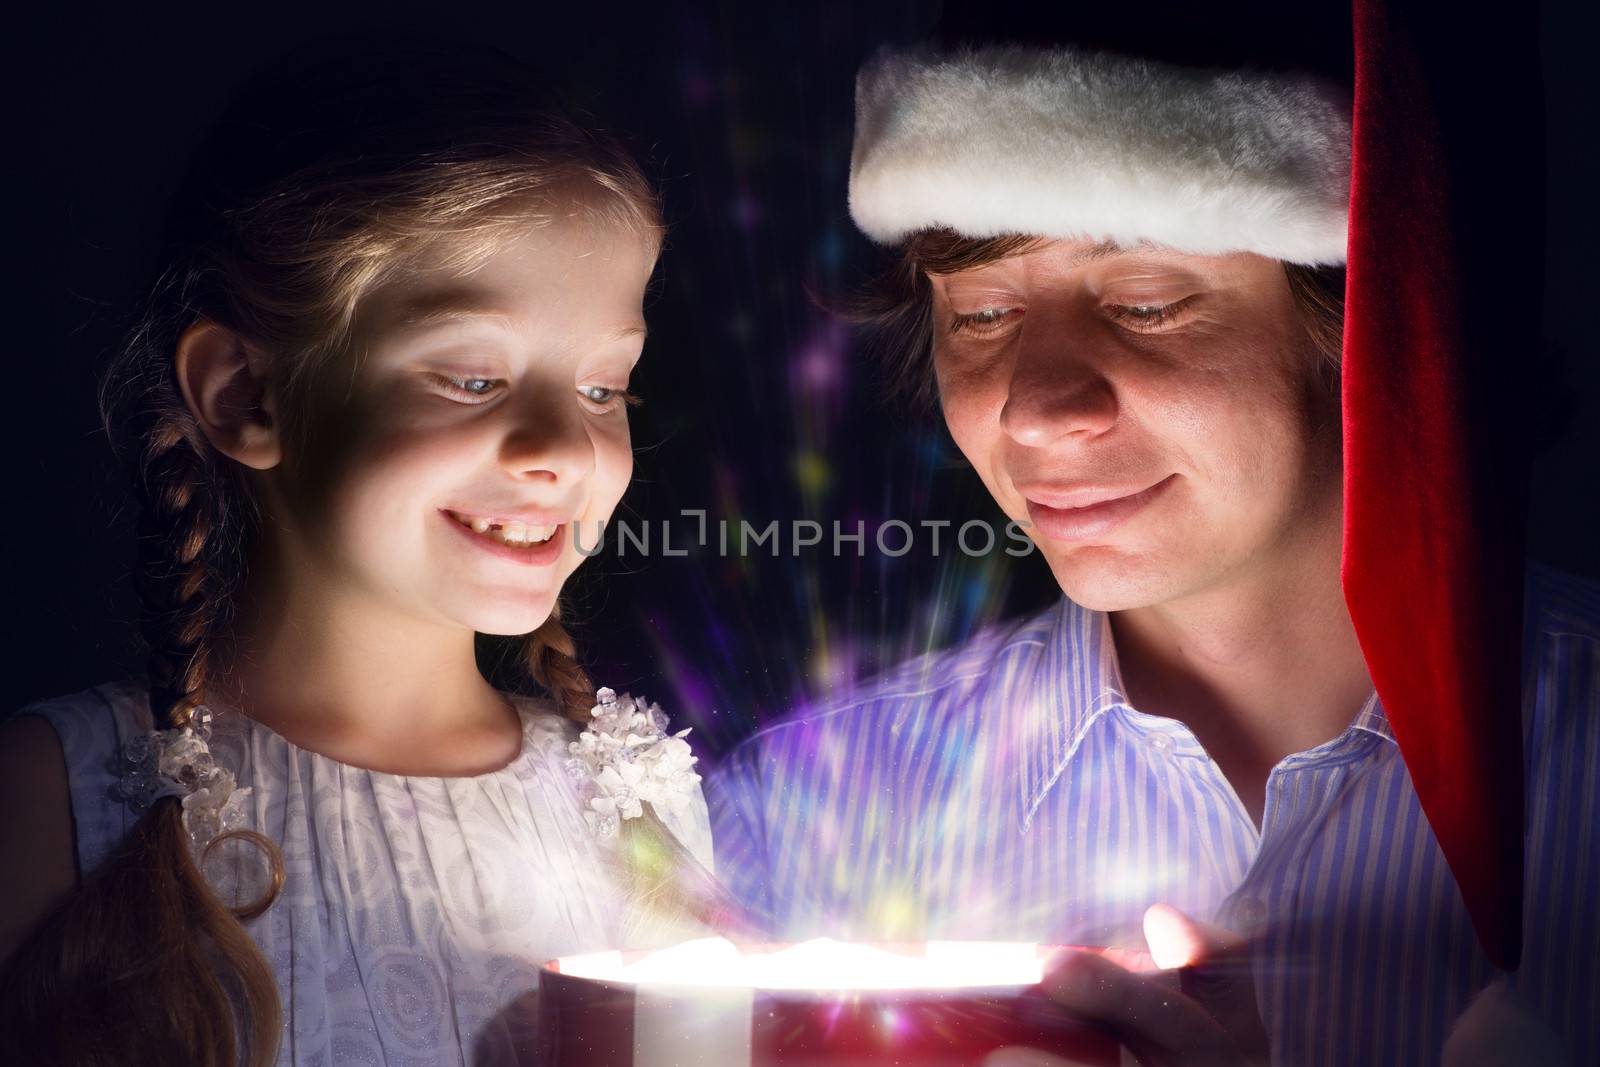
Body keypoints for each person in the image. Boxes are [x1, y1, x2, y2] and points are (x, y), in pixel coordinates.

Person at [705, 10, 1595, 1067]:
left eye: (1146, 301)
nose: (1035, 409)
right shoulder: (802, 824)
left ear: (1362, 326)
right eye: (980, 316)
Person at [0, 40, 712, 1066]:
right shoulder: (61, 793)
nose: (563, 446)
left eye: (604, 387)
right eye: (471, 377)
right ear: (247, 394)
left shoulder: (643, 799)